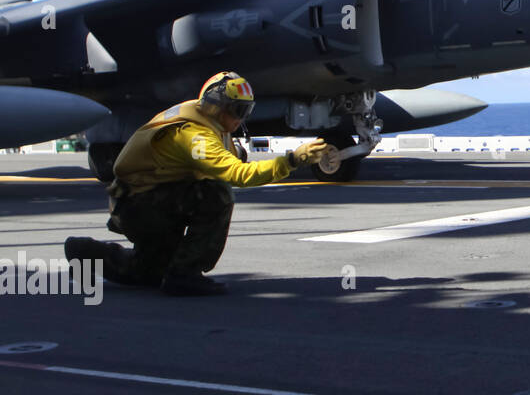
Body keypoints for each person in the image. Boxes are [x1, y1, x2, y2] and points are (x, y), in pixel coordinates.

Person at [64, 71, 330, 296]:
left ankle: (85, 251)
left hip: (146, 202)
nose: (241, 118)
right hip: (141, 206)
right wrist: (292, 160)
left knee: (147, 273)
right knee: (216, 194)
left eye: (246, 110)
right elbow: (238, 175)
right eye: (237, 110)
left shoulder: (211, 125)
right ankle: (185, 273)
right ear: (217, 106)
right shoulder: (192, 136)